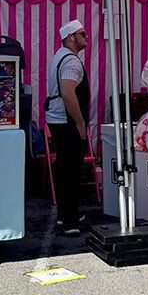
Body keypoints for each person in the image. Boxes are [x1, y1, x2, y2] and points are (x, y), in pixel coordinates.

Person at [44, 19, 90, 236]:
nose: (86, 37)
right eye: (82, 34)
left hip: (57, 119)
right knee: (71, 170)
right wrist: (80, 122)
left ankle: (66, 215)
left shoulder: (59, 56)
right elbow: (68, 93)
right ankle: (71, 221)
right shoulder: (71, 61)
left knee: (64, 168)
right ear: (71, 37)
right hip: (66, 121)